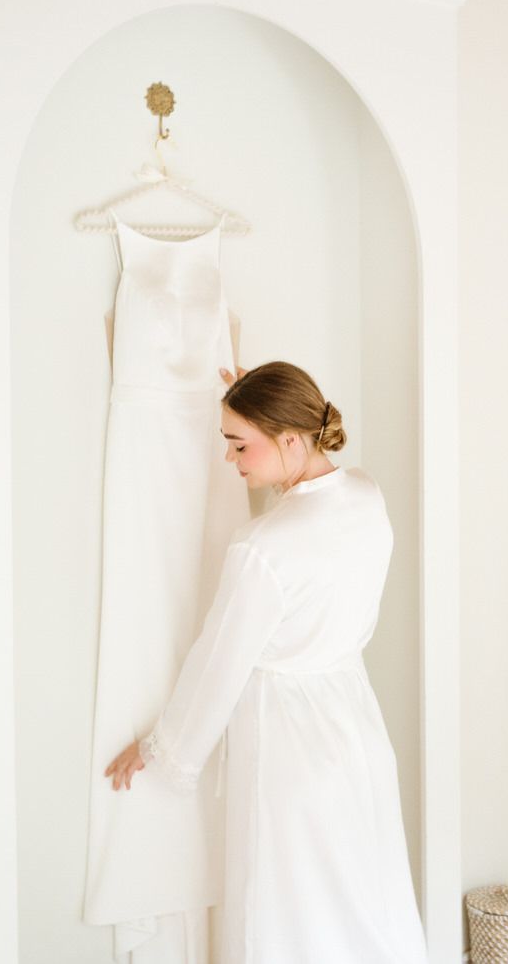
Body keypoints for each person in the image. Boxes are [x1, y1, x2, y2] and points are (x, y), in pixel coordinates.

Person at [105, 361, 428, 964]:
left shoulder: (262, 548)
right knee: (364, 903)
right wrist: (265, 403)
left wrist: (159, 748)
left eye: (237, 443)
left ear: (287, 438)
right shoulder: (365, 495)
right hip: (356, 732)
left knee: (287, 916)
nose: (231, 460)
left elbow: (216, 667)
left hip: (290, 750)